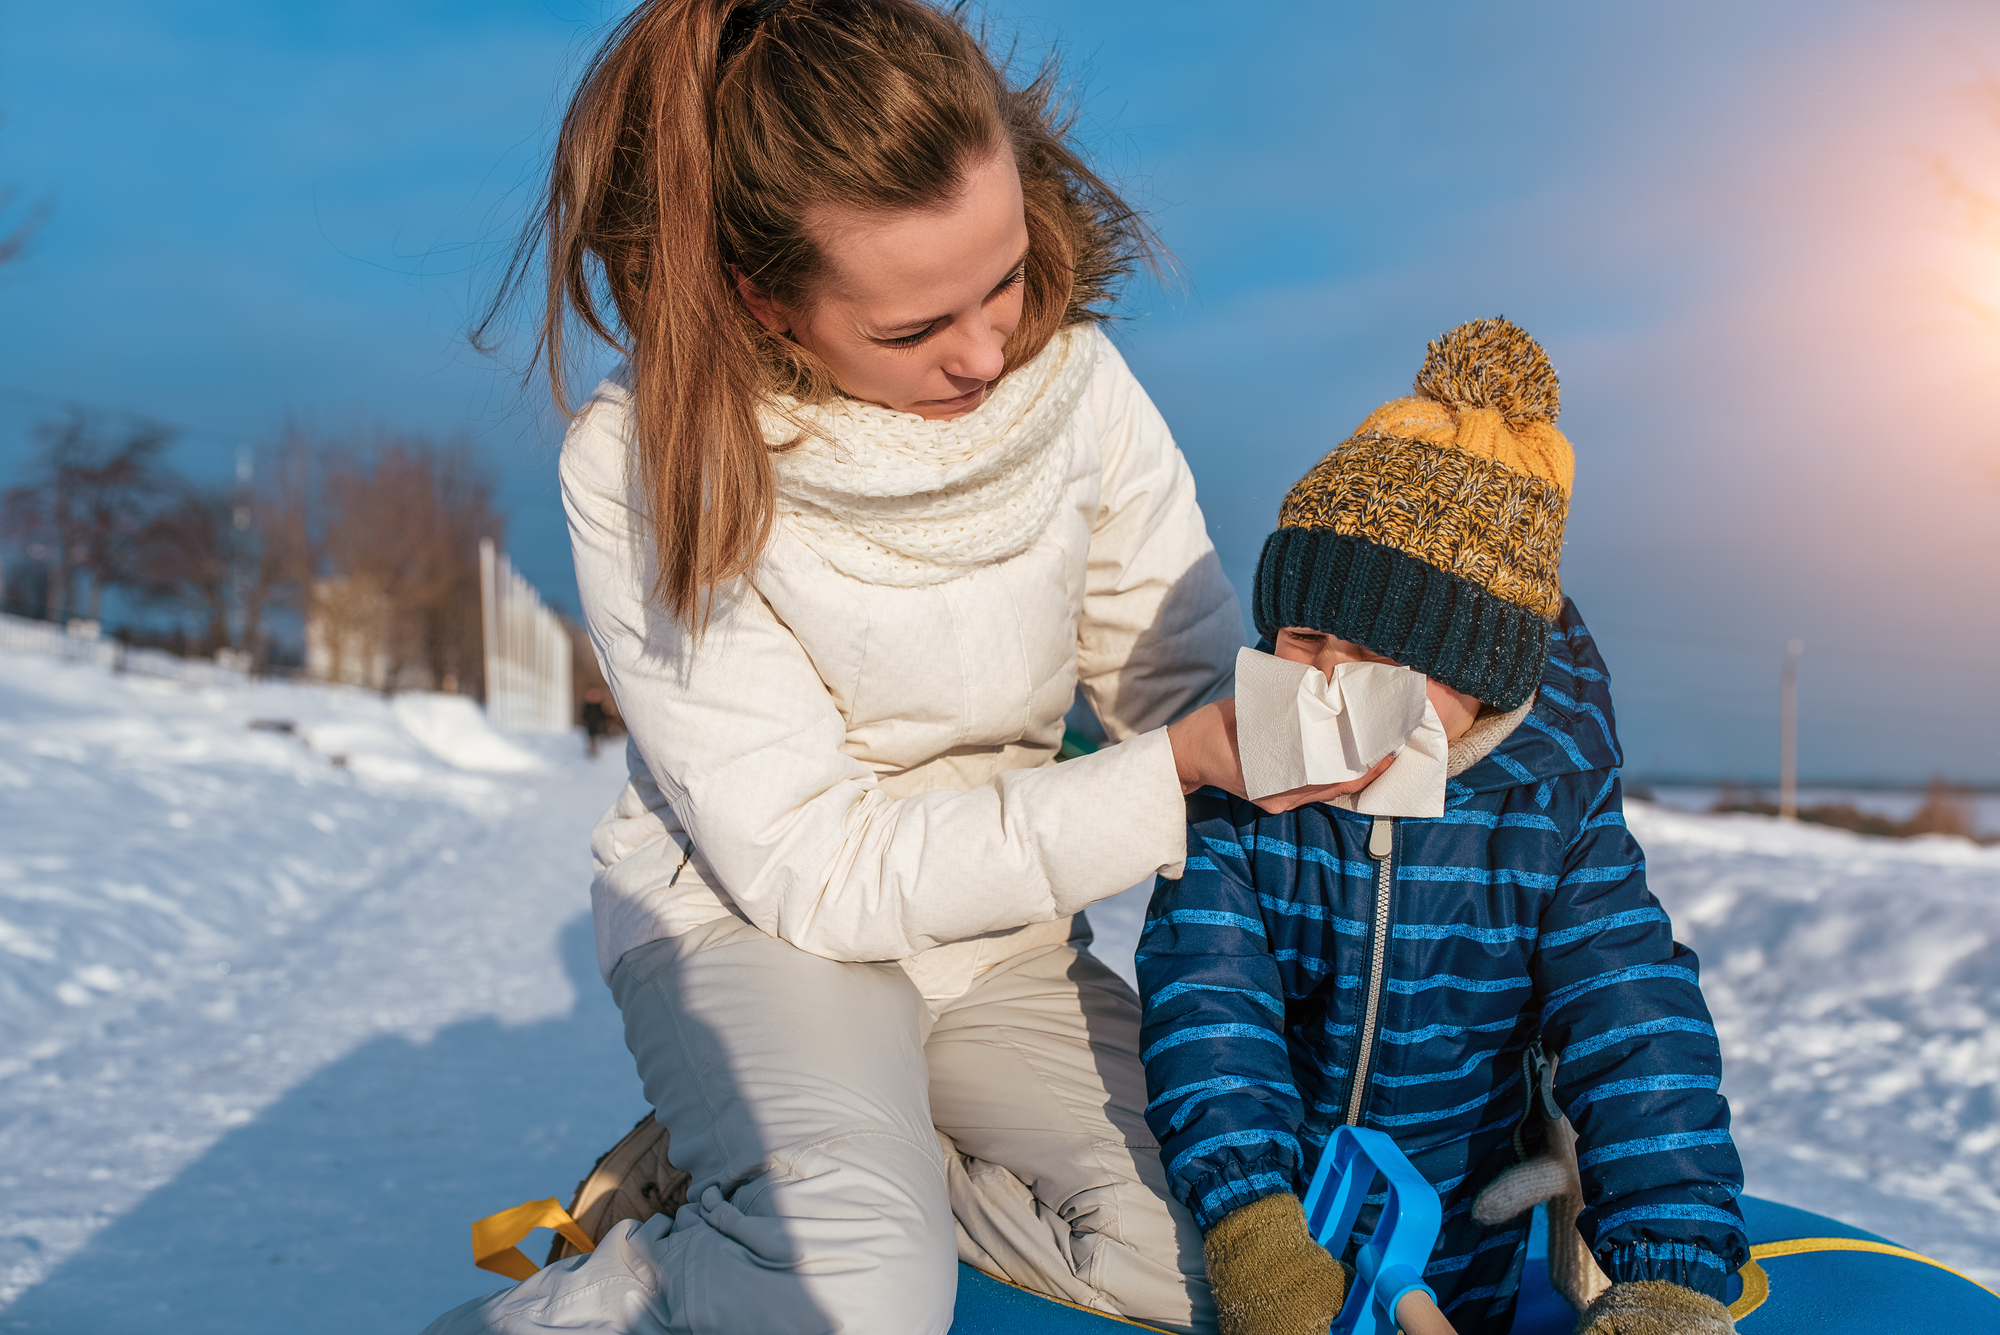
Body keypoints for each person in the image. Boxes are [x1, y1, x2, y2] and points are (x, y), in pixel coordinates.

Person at [424, 2, 1354, 1331]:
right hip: (763, 927)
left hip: (998, 943)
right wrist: (1176, 777)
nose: (984, 352)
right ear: (768, 301)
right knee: (858, 1290)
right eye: (917, 329)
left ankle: (797, 1174)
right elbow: (818, 867)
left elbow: (1181, 684)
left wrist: (1343, 721)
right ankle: (663, 1269)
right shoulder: (651, 460)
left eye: (1007, 278)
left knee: (1242, 1248)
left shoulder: (1077, 387)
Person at [1137, 320, 1749, 1335]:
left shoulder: (1549, 814)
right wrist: (1248, 1215)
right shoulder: (1244, 785)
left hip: (1457, 1243)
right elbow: (1208, 1002)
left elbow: (1632, 1020)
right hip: (1275, 1227)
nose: (1328, 680)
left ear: (1484, 672)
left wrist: (1672, 1264)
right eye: (1303, 636)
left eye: (1381, 654)